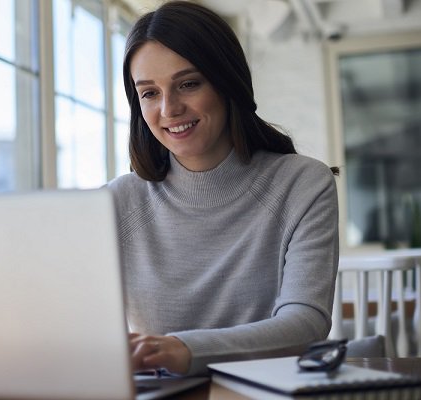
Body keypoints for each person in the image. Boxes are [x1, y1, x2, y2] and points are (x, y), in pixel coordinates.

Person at [107, 1, 340, 376]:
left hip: (267, 390)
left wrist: (184, 348)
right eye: (149, 93)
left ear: (226, 81)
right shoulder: (116, 202)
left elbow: (306, 323)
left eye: (188, 84)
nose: (169, 109)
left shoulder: (303, 184)